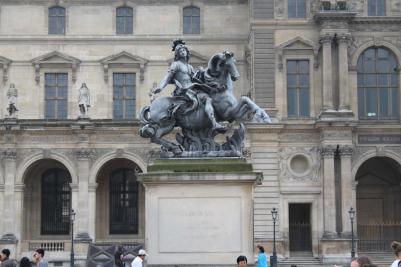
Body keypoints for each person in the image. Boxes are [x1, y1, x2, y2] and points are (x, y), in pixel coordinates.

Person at [152, 39, 225, 131]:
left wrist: (201, 72)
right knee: (207, 98)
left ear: (187, 52)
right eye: (180, 51)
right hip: (184, 90)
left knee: (210, 95)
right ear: (177, 54)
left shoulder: (189, 67)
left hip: (192, 88)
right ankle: (214, 123)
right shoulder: (176, 64)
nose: (183, 52)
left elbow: (195, 78)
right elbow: (168, 77)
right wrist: (160, 87)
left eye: (184, 50)